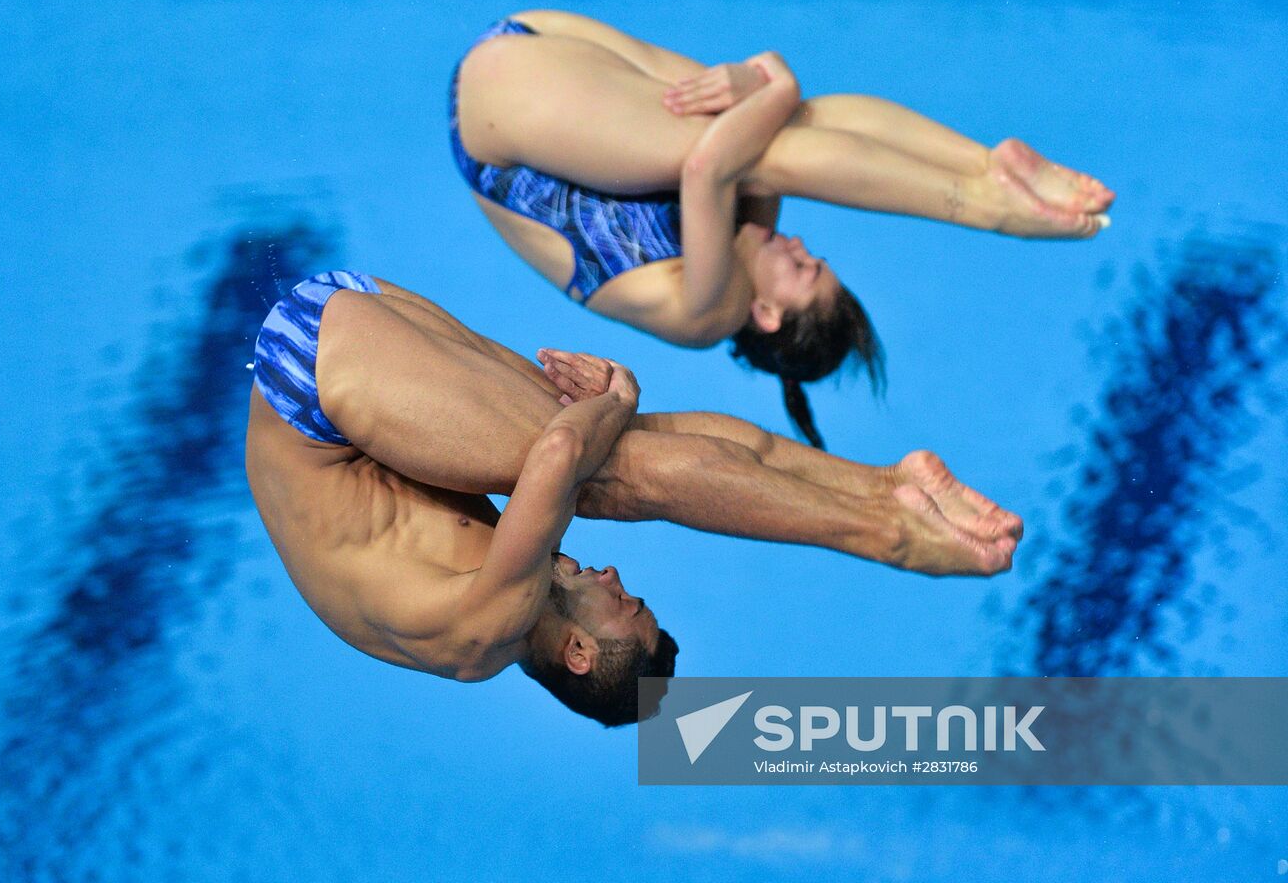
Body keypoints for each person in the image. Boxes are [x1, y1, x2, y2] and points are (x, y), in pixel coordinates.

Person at [245, 271, 1022, 725]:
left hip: (313, 383)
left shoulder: (488, 628)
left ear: (579, 653)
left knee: (606, 471)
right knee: (626, 449)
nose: (617, 579)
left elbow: (560, 454)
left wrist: (617, 399)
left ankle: (881, 530)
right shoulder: (509, 602)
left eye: (626, 606)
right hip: (337, 344)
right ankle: (881, 483)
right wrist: (615, 415)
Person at [449, 10, 1114, 448]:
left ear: (765, 313)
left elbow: (709, 168)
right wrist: (768, 87)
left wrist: (774, 82)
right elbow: (757, 124)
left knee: (765, 146)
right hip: (537, 51)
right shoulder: (747, 238)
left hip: (499, 112)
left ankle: (988, 203)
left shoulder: (711, 314)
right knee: (784, 130)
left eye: (802, 269)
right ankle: (984, 162)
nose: (797, 245)